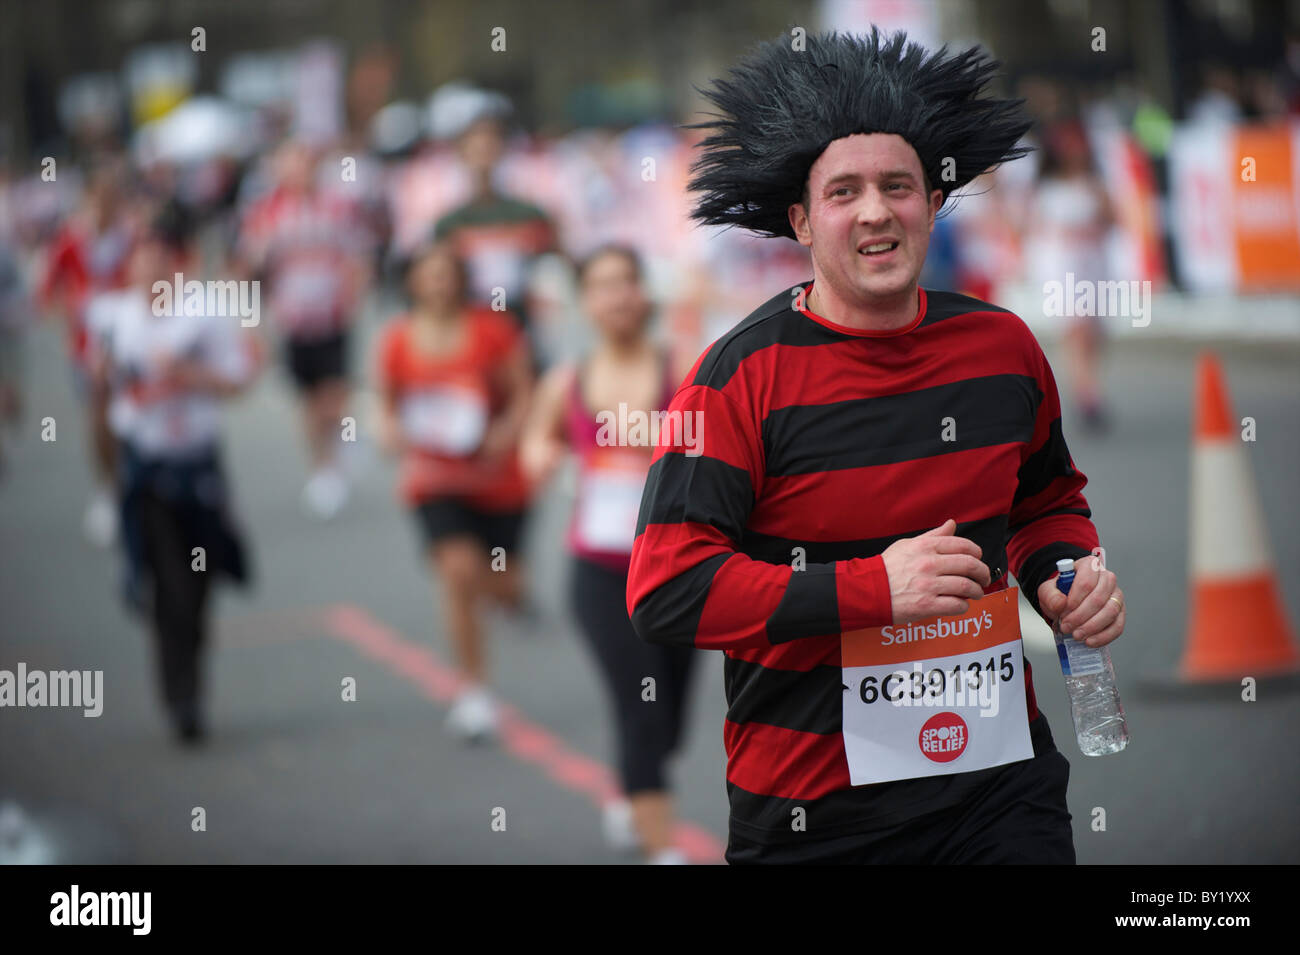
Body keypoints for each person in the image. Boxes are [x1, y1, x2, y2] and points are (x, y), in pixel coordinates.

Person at [627, 29, 1128, 865]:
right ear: (800, 219)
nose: (874, 211)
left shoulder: (1002, 348)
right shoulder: (736, 378)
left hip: (999, 790)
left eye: (898, 186)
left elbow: (1045, 503)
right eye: (844, 191)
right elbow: (667, 588)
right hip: (813, 815)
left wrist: (1062, 578)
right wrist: (870, 590)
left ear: (933, 203)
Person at [521, 244, 698, 865]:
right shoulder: (564, 381)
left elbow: (725, 450)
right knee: (641, 699)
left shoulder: (688, 370)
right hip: (600, 573)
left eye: (627, 281)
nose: (617, 295)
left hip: (679, 571)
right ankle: (663, 848)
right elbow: (535, 444)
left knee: (671, 711)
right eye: (601, 285)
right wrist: (540, 458)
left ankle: (634, 780)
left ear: (644, 293)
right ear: (584, 302)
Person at [87, 211, 258, 743]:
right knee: (167, 585)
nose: (150, 268)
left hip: (199, 467)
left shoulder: (203, 315)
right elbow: (99, 397)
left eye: (160, 258)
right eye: (141, 258)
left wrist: (190, 374)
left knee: (200, 583)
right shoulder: (112, 317)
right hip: (147, 469)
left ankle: (191, 678)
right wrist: (108, 480)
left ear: (177, 264)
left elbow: (240, 381)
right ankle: (180, 698)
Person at [375, 239, 533, 742]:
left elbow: (525, 393)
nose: (439, 283)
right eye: (429, 274)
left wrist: (506, 431)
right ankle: (474, 691)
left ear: (460, 279)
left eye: (447, 274)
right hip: (435, 480)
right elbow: (385, 405)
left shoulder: (493, 330)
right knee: (458, 572)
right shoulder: (398, 340)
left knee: (506, 587)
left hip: (498, 481)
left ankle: (505, 597)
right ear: (413, 282)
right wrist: (386, 430)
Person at [236, 140, 372, 519]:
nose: (299, 171)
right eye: (290, 164)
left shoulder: (338, 206)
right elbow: (249, 269)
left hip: (332, 315)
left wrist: (354, 298)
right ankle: (324, 469)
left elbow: (357, 257)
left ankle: (345, 441)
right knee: (309, 401)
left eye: (305, 163)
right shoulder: (266, 212)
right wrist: (252, 323)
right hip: (292, 320)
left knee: (336, 392)